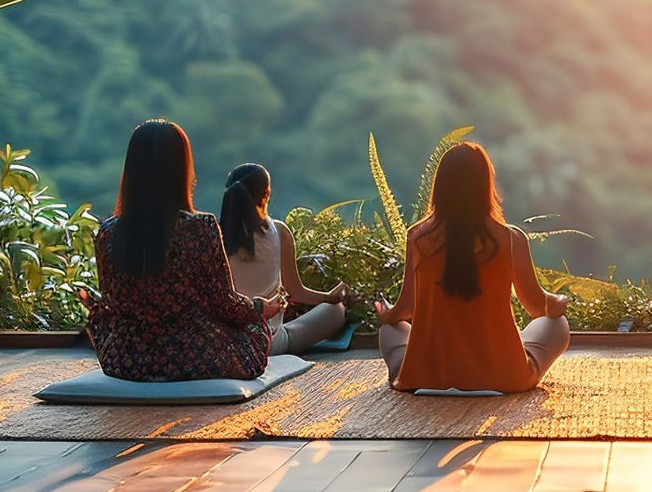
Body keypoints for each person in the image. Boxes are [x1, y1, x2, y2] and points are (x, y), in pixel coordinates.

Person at [87, 120, 283, 381]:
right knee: (253, 329)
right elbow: (224, 303)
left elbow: (111, 305)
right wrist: (260, 308)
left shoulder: (107, 233)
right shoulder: (200, 228)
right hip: (193, 355)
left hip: (124, 359)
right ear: (181, 170)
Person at [374, 141, 571, 393]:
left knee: (391, 330)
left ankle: (408, 374)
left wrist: (386, 314)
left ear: (440, 187)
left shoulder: (418, 237)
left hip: (427, 378)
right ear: (485, 185)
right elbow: (536, 307)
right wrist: (559, 300)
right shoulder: (511, 239)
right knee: (557, 325)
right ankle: (508, 355)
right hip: (502, 377)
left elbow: (406, 309)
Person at [220, 163, 355, 354]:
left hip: (226, 343)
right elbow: (297, 293)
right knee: (336, 311)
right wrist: (332, 297)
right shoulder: (279, 232)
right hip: (269, 342)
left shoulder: (214, 235)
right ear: (266, 193)